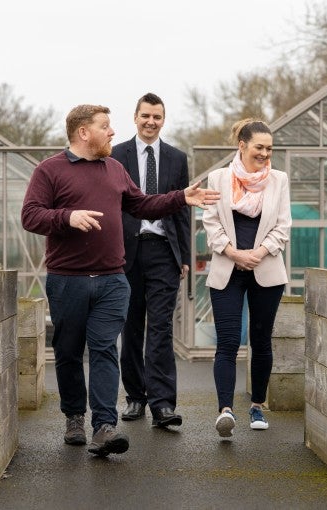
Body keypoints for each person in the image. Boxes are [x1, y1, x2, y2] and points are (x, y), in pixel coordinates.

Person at [21, 104, 219, 457]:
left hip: (113, 279)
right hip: (68, 280)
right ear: (84, 132)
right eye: (105, 126)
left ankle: (104, 427)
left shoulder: (115, 169)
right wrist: (68, 217)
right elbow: (31, 215)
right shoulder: (50, 170)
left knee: (104, 350)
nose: (112, 132)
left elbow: (141, 205)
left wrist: (180, 199)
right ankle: (73, 417)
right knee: (67, 352)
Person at [202, 119, 291, 438]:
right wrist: (235, 253)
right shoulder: (218, 178)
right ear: (242, 146)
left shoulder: (279, 180)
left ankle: (256, 406)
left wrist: (258, 252)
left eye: (269, 148)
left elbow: (283, 226)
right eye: (259, 147)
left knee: (261, 339)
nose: (266, 153)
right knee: (226, 342)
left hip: (266, 270)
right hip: (228, 269)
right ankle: (225, 410)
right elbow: (211, 224)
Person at [111, 93, 189, 428]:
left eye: (157, 117)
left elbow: (182, 208)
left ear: (163, 119)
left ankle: (162, 404)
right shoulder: (117, 156)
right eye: (145, 116)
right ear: (135, 117)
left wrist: (184, 255)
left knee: (160, 328)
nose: (150, 122)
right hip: (126, 251)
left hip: (163, 251)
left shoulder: (176, 158)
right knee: (131, 327)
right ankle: (135, 398)